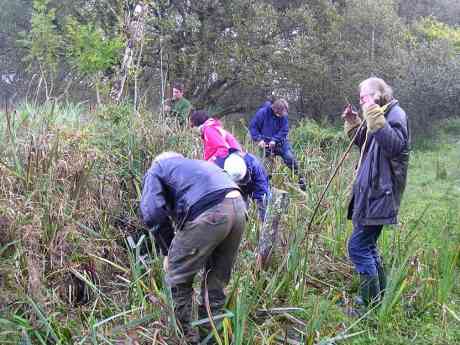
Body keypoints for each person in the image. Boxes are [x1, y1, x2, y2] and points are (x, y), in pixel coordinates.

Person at [139, 152, 246, 343]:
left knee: (177, 277)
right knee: (216, 280)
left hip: (211, 212)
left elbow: (152, 213)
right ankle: (211, 338)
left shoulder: (158, 168)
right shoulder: (194, 166)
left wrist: (168, 251)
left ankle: (186, 337)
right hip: (238, 207)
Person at [342, 77, 410, 312]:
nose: (362, 100)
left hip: (381, 193)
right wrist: (354, 122)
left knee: (358, 247)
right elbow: (367, 144)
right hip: (371, 192)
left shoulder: (395, 114)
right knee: (367, 245)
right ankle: (380, 296)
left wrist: (371, 112)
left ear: (380, 94)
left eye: (366, 96)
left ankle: (367, 305)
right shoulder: (380, 113)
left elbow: (394, 146)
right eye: (360, 97)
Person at [249, 98, 307, 191]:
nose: (283, 116)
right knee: (265, 168)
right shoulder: (262, 113)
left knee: (290, 158)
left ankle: (301, 179)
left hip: (281, 143)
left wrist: (275, 140)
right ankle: (266, 188)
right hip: (265, 145)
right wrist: (259, 140)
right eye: (281, 114)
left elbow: (284, 130)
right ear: (275, 110)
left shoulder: (283, 116)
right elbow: (253, 127)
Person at [215, 150, 270, 222]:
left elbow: (261, 194)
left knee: (263, 205)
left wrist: (261, 221)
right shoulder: (219, 165)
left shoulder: (255, 166)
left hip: (254, 184)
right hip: (232, 186)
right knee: (239, 209)